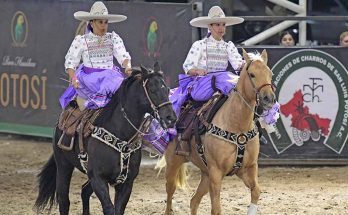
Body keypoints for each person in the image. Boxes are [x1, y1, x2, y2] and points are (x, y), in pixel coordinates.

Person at [169, 6, 279, 150]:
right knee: (236, 85)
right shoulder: (200, 45)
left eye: (223, 25)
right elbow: (187, 66)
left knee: (247, 89)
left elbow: (239, 64)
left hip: (221, 80)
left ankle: (256, 126)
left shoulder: (228, 46)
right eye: (217, 24)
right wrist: (196, 70)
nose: (221, 28)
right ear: (210, 26)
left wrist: (253, 64)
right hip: (203, 82)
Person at [59, 1, 132, 110]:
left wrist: (127, 66)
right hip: (89, 79)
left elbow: (123, 55)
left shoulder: (113, 38)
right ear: (92, 23)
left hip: (111, 77)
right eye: (100, 22)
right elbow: (71, 62)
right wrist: (74, 78)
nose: (104, 25)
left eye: (105, 22)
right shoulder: (82, 40)